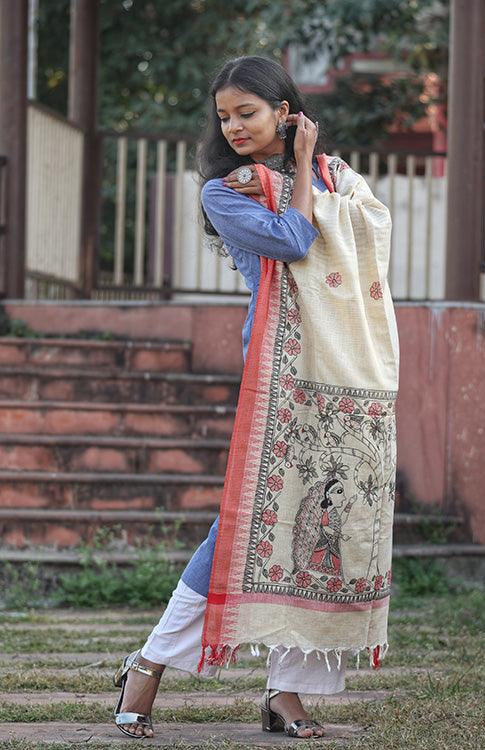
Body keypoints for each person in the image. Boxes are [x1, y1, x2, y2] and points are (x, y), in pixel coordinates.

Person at [113, 55, 399, 741]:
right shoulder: (225, 192)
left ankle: (286, 693)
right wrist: (293, 172)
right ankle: (150, 660)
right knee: (249, 521)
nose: (234, 127)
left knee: (321, 524)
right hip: (279, 367)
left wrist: (300, 171)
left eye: (247, 112)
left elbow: (375, 230)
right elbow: (297, 239)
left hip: (345, 371)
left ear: (286, 112)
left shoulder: (335, 178)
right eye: (224, 117)